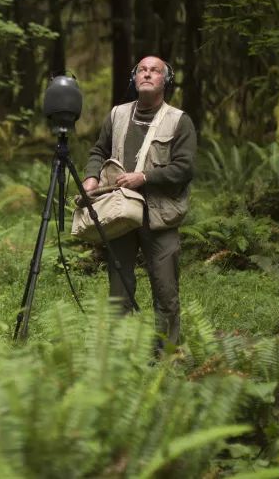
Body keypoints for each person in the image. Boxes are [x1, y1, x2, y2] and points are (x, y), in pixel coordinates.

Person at [82, 55, 197, 348]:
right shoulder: (117, 114)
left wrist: (143, 178)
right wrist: (91, 177)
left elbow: (184, 169)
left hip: (160, 217)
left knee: (166, 290)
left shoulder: (179, 121)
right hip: (120, 213)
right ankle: (125, 351)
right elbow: (98, 150)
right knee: (119, 289)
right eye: (142, 70)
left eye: (154, 71)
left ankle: (166, 353)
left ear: (165, 81)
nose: (147, 74)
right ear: (134, 78)